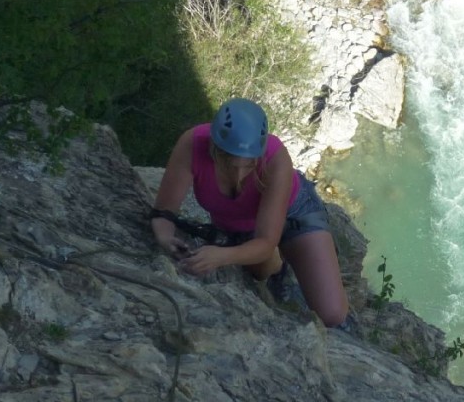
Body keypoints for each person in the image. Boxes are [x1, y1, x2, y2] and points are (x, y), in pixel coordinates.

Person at [150, 98, 351, 328]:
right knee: (259, 273)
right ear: (215, 148)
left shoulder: (276, 158)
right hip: (239, 225)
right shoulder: (192, 145)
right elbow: (164, 211)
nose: (239, 176)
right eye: (230, 164)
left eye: (249, 165)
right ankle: (278, 267)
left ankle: (286, 256)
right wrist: (165, 236)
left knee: (332, 313)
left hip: (295, 212)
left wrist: (220, 256)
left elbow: (265, 242)